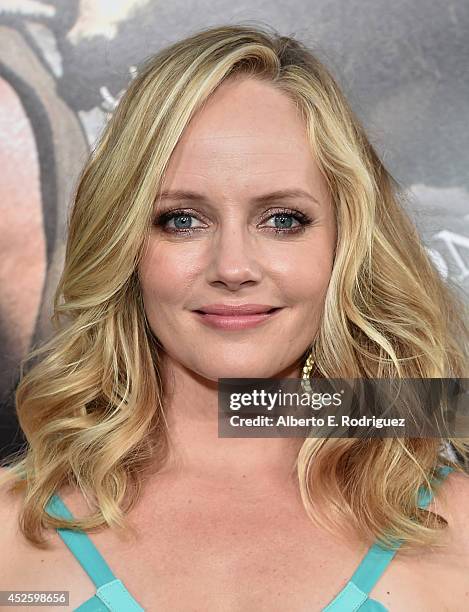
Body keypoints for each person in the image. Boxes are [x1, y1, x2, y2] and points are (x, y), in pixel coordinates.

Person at [1, 22, 469, 611]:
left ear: (344, 243)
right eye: (182, 220)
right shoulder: (11, 534)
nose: (233, 266)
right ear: (126, 246)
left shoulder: (455, 528)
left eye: (282, 220)